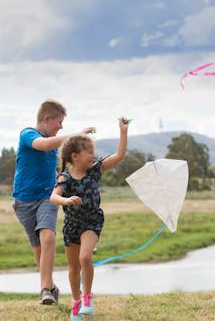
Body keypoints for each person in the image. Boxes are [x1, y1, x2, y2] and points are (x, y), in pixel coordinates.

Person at [12, 99, 94, 305]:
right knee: (38, 248)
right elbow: (44, 145)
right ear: (47, 118)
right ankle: (50, 287)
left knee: (48, 237)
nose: (61, 127)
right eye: (60, 122)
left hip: (47, 196)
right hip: (23, 201)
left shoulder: (54, 142)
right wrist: (76, 135)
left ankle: (44, 291)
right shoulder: (28, 134)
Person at [50, 117, 128, 320]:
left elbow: (119, 155)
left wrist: (123, 132)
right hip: (71, 225)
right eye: (89, 152)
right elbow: (53, 197)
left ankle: (87, 298)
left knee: (85, 257)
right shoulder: (64, 178)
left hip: (92, 221)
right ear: (75, 157)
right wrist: (66, 202)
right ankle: (75, 302)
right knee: (74, 268)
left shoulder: (95, 171)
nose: (93, 156)